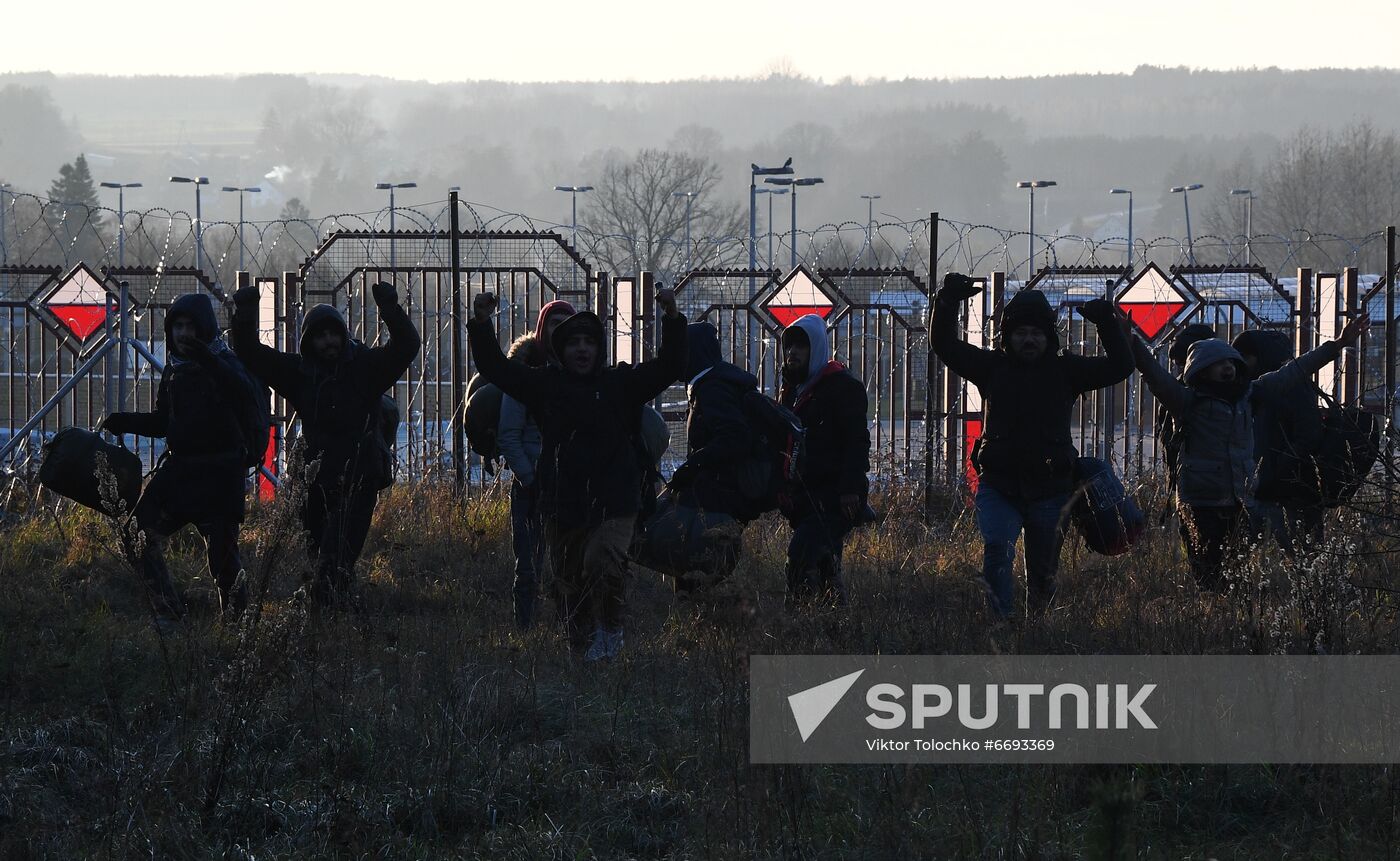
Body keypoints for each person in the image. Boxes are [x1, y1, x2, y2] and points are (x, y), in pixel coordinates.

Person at [468, 287, 686, 661]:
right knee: (568, 582)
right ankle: (581, 646)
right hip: (563, 501)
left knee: (602, 561)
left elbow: (668, 366)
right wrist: (482, 323)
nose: (582, 350)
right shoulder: (546, 386)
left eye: (589, 342)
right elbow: (496, 369)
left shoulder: (620, 384)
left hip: (615, 501)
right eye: (573, 343)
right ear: (559, 350)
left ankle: (611, 629)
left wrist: (672, 317)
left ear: (600, 349)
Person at [932, 275, 1133, 618]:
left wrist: (1106, 323)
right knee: (997, 547)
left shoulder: (1066, 370)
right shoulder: (993, 367)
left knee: (1042, 573)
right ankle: (1001, 623)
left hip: (1051, 489)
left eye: (1036, 333)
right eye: (1021, 333)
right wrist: (948, 301)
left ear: (1048, 337)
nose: (1029, 340)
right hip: (999, 486)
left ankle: (1035, 628)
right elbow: (945, 346)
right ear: (1008, 336)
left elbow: (1120, 366)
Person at [1132, 313, 1367, 591]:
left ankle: (1230, 617)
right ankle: (1214, 616)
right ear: (1200, 370)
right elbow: (1155, 376)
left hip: (1238, 501)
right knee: (1208, 571)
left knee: (1233, 573)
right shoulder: (1187, 402)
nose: (1227, 368)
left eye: (1230, 361)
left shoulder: (1249, 394)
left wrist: (1336, 345)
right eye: (1217, 364)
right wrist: (1131, 341)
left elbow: (1295, 371)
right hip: (1201, 501)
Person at [230, 280, 420, 606]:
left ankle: (328, 621)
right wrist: (246, 312)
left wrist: (390, 307)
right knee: (319, 553)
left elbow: (406, 346)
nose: (328, 341)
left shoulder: (365, 368)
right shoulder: (301, 373)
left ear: (344, 335)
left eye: (334, 333)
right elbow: (252, 354)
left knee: (335, 558)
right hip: (315, 478)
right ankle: (336, 618)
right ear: (309, 341)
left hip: (359, 477)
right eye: (320, 336)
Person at [100, 293, 262, 626]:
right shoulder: (175, 371)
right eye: (178, 327)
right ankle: (170, 613)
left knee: (223, 561)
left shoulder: (224, 363)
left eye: (190, 326)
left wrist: (210, 362)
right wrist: (126, 421)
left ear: (204, 329)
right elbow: (165, 422)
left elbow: (245, 393)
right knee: (137, 533)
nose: (183, 334)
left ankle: (238, 628)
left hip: (220, 475)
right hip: (181, 472)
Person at [778, 314, 871, 607]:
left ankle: (799, 622)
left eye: (801, 346)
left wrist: (850, 490)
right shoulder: (794, 391)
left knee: (802, 555)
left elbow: (857, 442)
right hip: (805, 497)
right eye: (789, 346)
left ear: (816, 348)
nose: (792, 352)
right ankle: (834, 627)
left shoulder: (841, 387)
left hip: (833, 497)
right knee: (826, 565)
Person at [664, 320, 760, 594]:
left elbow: (734, 438)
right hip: (717, 491)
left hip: (720, 494)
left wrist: (694, 465)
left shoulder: (712, 389)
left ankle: (704, 612)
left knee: (701, 561)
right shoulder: (712, 383)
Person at [497, 299, 575, 629]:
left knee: (569, 565)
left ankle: (566, 628)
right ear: (543, 330)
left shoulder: (581, 374)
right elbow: (509, 435)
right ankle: (524, 631)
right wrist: (531, 478)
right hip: (531, 486)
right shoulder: (524, 376)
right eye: (554, 324)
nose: (560, 332)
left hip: (571, 485)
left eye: (567, 325)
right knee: (528, 565)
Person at [1231, 328, 1326, 555]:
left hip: (1290, 490)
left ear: (1259, 356)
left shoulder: (1289, 387)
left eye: (1245, 357)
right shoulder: (1254, 390)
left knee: (1301, 558)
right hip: (1266, 488)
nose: (1240, 365)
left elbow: (1308, 435)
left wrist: (1279, 468)